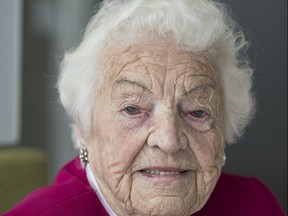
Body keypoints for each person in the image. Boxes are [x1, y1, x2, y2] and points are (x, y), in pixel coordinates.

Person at [4, 0, 285, 215]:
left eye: (197, 112)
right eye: (133, 109)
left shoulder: (255, 203)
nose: (169, 140)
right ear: (83, 125)